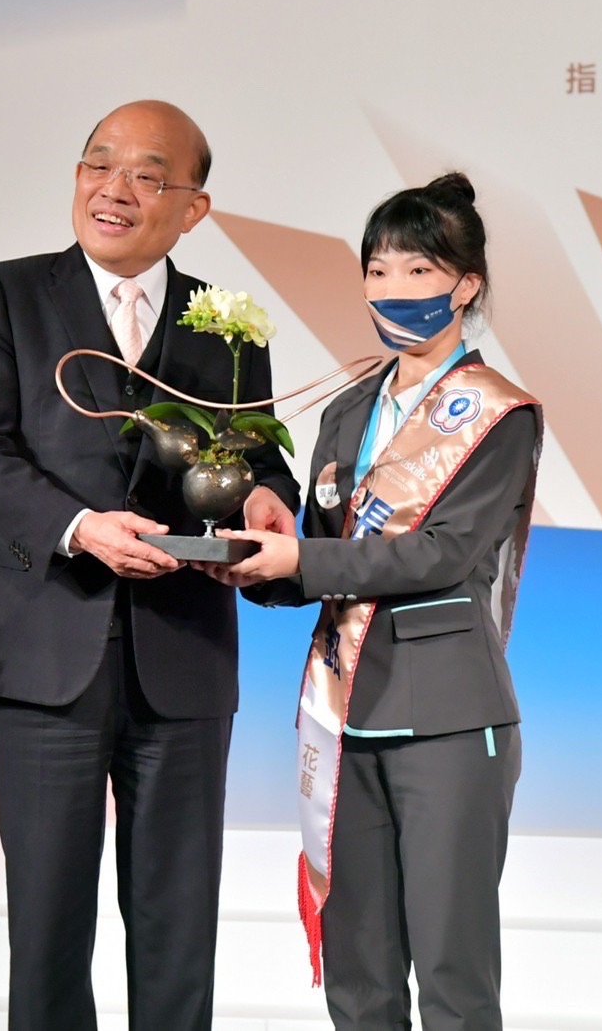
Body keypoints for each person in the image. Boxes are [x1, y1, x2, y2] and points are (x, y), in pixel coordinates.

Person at [0, 99, 299, 1031]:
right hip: (45, 648)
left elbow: (256, 455)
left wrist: (267, 500)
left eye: (147, 174)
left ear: (193, 208)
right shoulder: (5, 295)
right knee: (48, 925)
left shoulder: (229, 324)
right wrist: (80, 527)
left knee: (179, 925)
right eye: (99, 164)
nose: (115, 188)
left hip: (183, 653)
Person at [205, 173, 542, 1030]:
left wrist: (304, 557)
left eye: (418, 270)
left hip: (449, 718)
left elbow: (442, 553)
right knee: (358, 973)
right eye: (378, 270)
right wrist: (258, 566)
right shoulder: (349, 408)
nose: (393, 290)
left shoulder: (499, 415)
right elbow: (329, 551)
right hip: (344, 712)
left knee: (454, 972)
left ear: (465, 286)